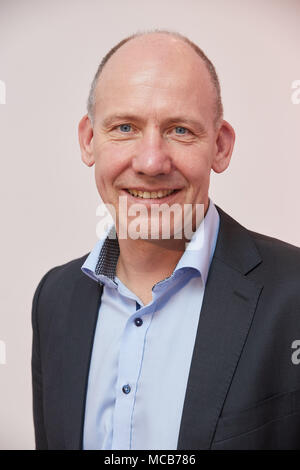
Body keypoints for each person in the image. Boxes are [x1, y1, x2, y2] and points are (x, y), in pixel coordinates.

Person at [31, 30, 300, 450]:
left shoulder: (294, 292)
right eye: (124, 127)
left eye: (179, 130)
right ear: (89, 141)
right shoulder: (54, 298)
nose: (152, 162)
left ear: (221, 146)